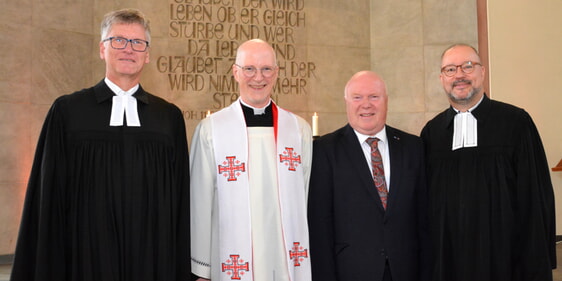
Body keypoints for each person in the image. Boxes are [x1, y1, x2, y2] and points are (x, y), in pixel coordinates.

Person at [10, 9, 191, 281]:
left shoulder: (168, 117)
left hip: (152, 258)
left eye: (137, 42)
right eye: (118, 40)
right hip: (85, 258)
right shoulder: (68, 111)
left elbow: (180, 202)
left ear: (147, 54)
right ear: (102, 49)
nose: (128, 49)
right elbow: (47, 197)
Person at [420, 44, 556, 281]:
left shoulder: (516, 123)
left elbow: (536, 197)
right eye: (451, 69)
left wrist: (536, 259)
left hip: (505, 259)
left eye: (468, 66)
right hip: (448, 260)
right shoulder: (432, 133)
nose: (460, 75)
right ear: (442, 78)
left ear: (482, 72)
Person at [189, 38, 312, 281]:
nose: (258, 77)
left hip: (285, 257)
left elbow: (305, 196)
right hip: (231, 260)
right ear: (235, 72)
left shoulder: (298, 130)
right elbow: (200, 203)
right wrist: (202, 270)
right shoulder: (211, 129)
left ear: (276, 74)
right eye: (249, 69)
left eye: (266, 69)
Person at [308, 71, 431, 281]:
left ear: (386, 102)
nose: (366, 104)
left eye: (374, 97)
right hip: (350, 271)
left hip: (406, 270)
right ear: (347, 102)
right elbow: (320, 226)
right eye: (357, 97)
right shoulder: (324, 151)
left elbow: (424, 219)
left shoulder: (413, 147)